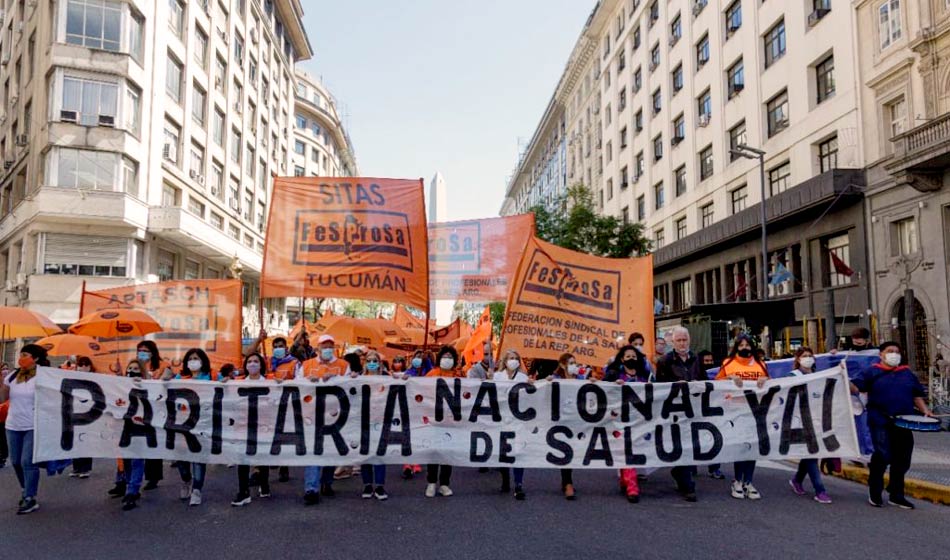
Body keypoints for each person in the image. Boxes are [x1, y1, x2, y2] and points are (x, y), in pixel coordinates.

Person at [851, 341, 934, 509]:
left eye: (897, 351)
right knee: (882, 455)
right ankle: (875, 491)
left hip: (904, 421)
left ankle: (896, 494)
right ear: (881, 354)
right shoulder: (871, 372)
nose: (894, 354)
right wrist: (844, 376)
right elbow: (855, 387)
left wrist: (925, 410)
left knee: (903, 458)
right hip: (880, 419)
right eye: (890, 351)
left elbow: (916, 395)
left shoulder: (907, 374)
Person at [716, 334, 769, 500]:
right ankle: (737, 481)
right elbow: (717, 384)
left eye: (747, 345)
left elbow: (771, 383)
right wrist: (729, 378)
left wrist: (764, 379)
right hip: (736, 411)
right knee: (740, 447)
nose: (744, 348)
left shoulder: (761, 364)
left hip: (755, 411)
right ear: (736, 347)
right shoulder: (728, 363)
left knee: (752, 448)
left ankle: (749, 481)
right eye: (741, 345)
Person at [299, 334, 350, 505]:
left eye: (330, 346)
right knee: (314, 451)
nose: (327, 349)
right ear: (317, 349)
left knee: (329, 450)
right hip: (312, 415)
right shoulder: (306, 366)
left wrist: (336, 380)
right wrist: (307, 381)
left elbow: (350, 387)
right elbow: (296, 387)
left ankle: (326, 482)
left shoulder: (343, 365)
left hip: (335, 416)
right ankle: (311, 488)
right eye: (324, 346)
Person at [655, 326, 704, 502]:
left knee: (690, 444)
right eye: (679, 340)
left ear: (689, 340)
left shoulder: (696, 358)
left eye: (685, 340)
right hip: (675, 410)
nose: (682, 343)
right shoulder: (664, 361)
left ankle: (682, 475)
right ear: (673, 342)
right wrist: (676, 385)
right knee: (681, 443)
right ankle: (688, 485)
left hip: (693, 408)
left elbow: (704, 380)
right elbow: (659, 388)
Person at [0, 344, 50, 514]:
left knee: (27, 461)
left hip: (33, 425)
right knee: (15, 461)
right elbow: (3, 398)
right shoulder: (13, 375)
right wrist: (1, 381)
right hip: (13, 424)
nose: (21, 357)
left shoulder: (44, 375)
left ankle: (30, 497)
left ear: (35, 358)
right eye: (20, 354)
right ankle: (25, 489)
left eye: (25, 354)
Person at [164, 348, 214, 506]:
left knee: (198, 457)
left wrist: (225, 381)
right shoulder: (180, 377)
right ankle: (186, 480)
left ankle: (197, 489)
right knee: (182, 458)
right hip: (182, 425)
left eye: (196, 358)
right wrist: (165, 379)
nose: (193, 361)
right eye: (190, 358)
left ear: (203, 360)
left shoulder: (211, 377)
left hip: (202, 425)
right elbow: (165, 388)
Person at [603, 345, 651, 503]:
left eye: (634, 356)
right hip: (619, 420)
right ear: (622, 359)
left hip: (640, 420)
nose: (631, 359)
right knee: (626, 450)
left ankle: (626, 480)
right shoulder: (614, 375)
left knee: (631, 450)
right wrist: (612, 386)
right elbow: (602, 391)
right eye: (628, 356)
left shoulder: (646, 376)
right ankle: (632, 487)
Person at [787, 347, 832, 504]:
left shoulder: (817, 375)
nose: (808, 358)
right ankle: (820, 490)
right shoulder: (793, 376)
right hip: (800, 420)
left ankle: (797, 480)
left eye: (810, 356)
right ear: (798, 359)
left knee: (810, 454)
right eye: (804, 356)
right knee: (812, 454)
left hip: (817, 419)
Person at [228, 352, 272, 506]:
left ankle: (264, 484)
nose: (252, 364)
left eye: (256, 361)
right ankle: (243, 491)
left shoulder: (270, 383)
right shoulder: (237, 383)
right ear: (245, 366)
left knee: (262, 458)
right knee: (243, 458)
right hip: (243, 427)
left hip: (263, 426)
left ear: (261, 365)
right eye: (249, 362)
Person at [538, 353, 580, 499]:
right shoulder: (556, 380)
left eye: (575, 362)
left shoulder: (580, 380)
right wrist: (545, 382)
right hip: (561, 421)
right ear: (562, 365)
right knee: (566, 450)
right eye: (571, 362)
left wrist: (593, 382)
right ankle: (568, 483)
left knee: (575, 450)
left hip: (577, 420)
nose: (574, 365)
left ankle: (566, 480)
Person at [493, 350, 530, 500]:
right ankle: (505, 478)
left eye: (516, 358)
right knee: (503, 451)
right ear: (505, 360)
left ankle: (519, 484)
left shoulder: (523, 377)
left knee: (518, 450)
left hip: (517, 418)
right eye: (510, 358)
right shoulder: (497, 376)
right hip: (501, 418)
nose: (513, 361)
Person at [424, 346, 460, 498]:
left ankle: (444, 484)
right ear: (439, 358)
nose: (447, 359)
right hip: (434, 419)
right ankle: (431, 482)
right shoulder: (431, 374)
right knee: (433, 451)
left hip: (451, 421)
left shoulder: (459, 376)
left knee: (447, 453)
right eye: (445, 356)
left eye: (450, 357)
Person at [137, 340, 172, 491]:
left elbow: (165, 380)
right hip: (139, 408)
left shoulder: (163, 366)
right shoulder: (135, 365)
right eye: (140, 350)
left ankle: (153, 477)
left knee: (153, 442)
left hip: (157, 409)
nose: (142, 353)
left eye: (145, 350)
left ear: (153, 352)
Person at [359, 350, 390, 501]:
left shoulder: (387, 378)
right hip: (363, 420)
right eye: (369, 360)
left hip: (381, 420)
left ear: (379, 363)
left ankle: (379, 485)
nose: (372, 363)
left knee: (379, 454)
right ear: (365, 363)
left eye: (374, 360)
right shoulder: (358, 379)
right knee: (365, 453)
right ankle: (367, 484)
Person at [118, 359, 148, 511]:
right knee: (127, 459)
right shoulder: (120, 385)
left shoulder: (148, 386)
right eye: (130, 367)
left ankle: (132, 490)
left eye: (136, 368)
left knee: (137, 459)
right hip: (124, 427)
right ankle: (129, 483)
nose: (132, 370)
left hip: (140, 427)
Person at [696, 350, 725, 480]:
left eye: (710, 361)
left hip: (713, 412)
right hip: (697, 411)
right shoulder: (695, 374)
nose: (709, 363)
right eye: (706, 361)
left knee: (715, 439)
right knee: (694, 440)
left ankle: (715, 468)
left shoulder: (718, 374)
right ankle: (692, 467)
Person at [68, 356, 97, 479]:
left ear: (90, 367)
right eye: (81, 365)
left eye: (86, 365)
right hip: (75, 413)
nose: (83, 367)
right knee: (75, 441)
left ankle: (85, 468)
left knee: (86, 440)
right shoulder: (72, 379)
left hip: (89, 413)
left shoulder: (96, 379)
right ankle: (76, 467)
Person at [0, 363, 7, 470]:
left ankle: (2, 457)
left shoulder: (4, 380)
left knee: (1, 435)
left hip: (1, 411)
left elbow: (3, 398)